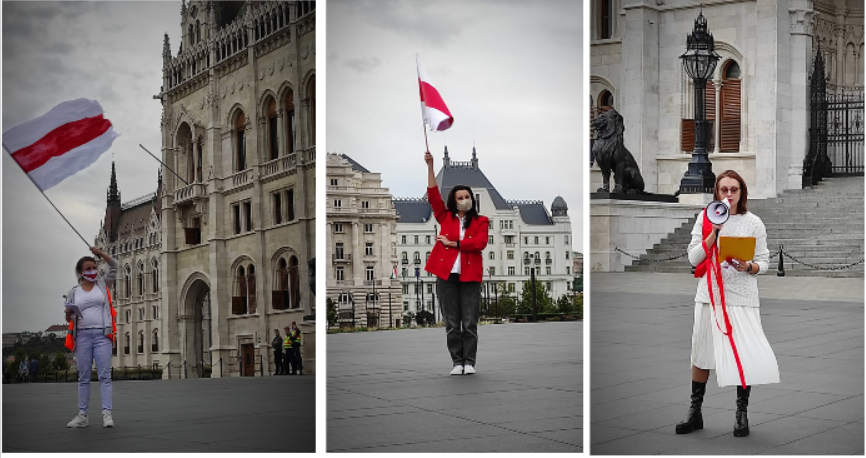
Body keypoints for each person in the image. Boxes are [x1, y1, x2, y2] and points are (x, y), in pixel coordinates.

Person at [677, 170, 778, 437]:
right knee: (701, 353)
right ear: (717, 192)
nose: (729, 195)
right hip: (709, 295)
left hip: (742, 296)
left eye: (734, 189)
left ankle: (741, 414)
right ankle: (694, 411)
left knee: (742, 354)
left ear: (742, 192)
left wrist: (749, 266)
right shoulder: (705, 218)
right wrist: (714, 233)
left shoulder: (754, 222)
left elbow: (765, 261)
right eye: (724, 190)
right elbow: (694, 259)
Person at [423, 151, 490, 376]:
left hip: (470, 276)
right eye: (460, 197)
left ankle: (469, 361)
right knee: (452, 323)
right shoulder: (445, 217)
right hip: (446, 275)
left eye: (467, 196)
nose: (464, 200)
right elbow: (433, 195)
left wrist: (454, 243)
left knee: (470, 322)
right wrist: (431, 167)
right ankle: (457, 362)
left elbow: (479, 243)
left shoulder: (481, 220)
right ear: (454, 200)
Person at [64, 246, 119, 428]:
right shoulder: (74, 292)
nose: (92, 271)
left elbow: (114, 266)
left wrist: (100, 253)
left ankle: (107, 414)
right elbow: (70, 318)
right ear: (80, 272)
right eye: (87, 269)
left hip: (102, 335)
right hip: (82, 337)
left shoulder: (103, 284)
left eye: (94, 267)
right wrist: (68, 314)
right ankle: (83, 415)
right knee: (84, 377)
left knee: (104, 376)